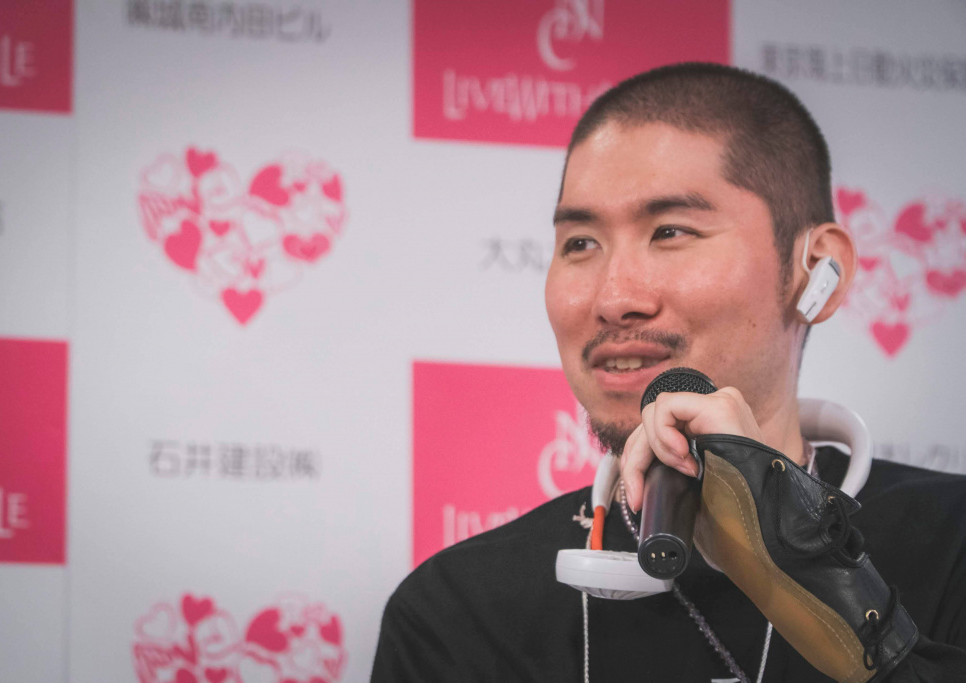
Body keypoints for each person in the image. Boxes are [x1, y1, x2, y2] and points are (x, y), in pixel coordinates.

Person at [370, 63, 966, 682]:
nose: (613, 299)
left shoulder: (950, 542)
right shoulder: (457, 612)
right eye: (580, 243)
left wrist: (810, 567)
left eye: (670, 231)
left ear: (816, 271)